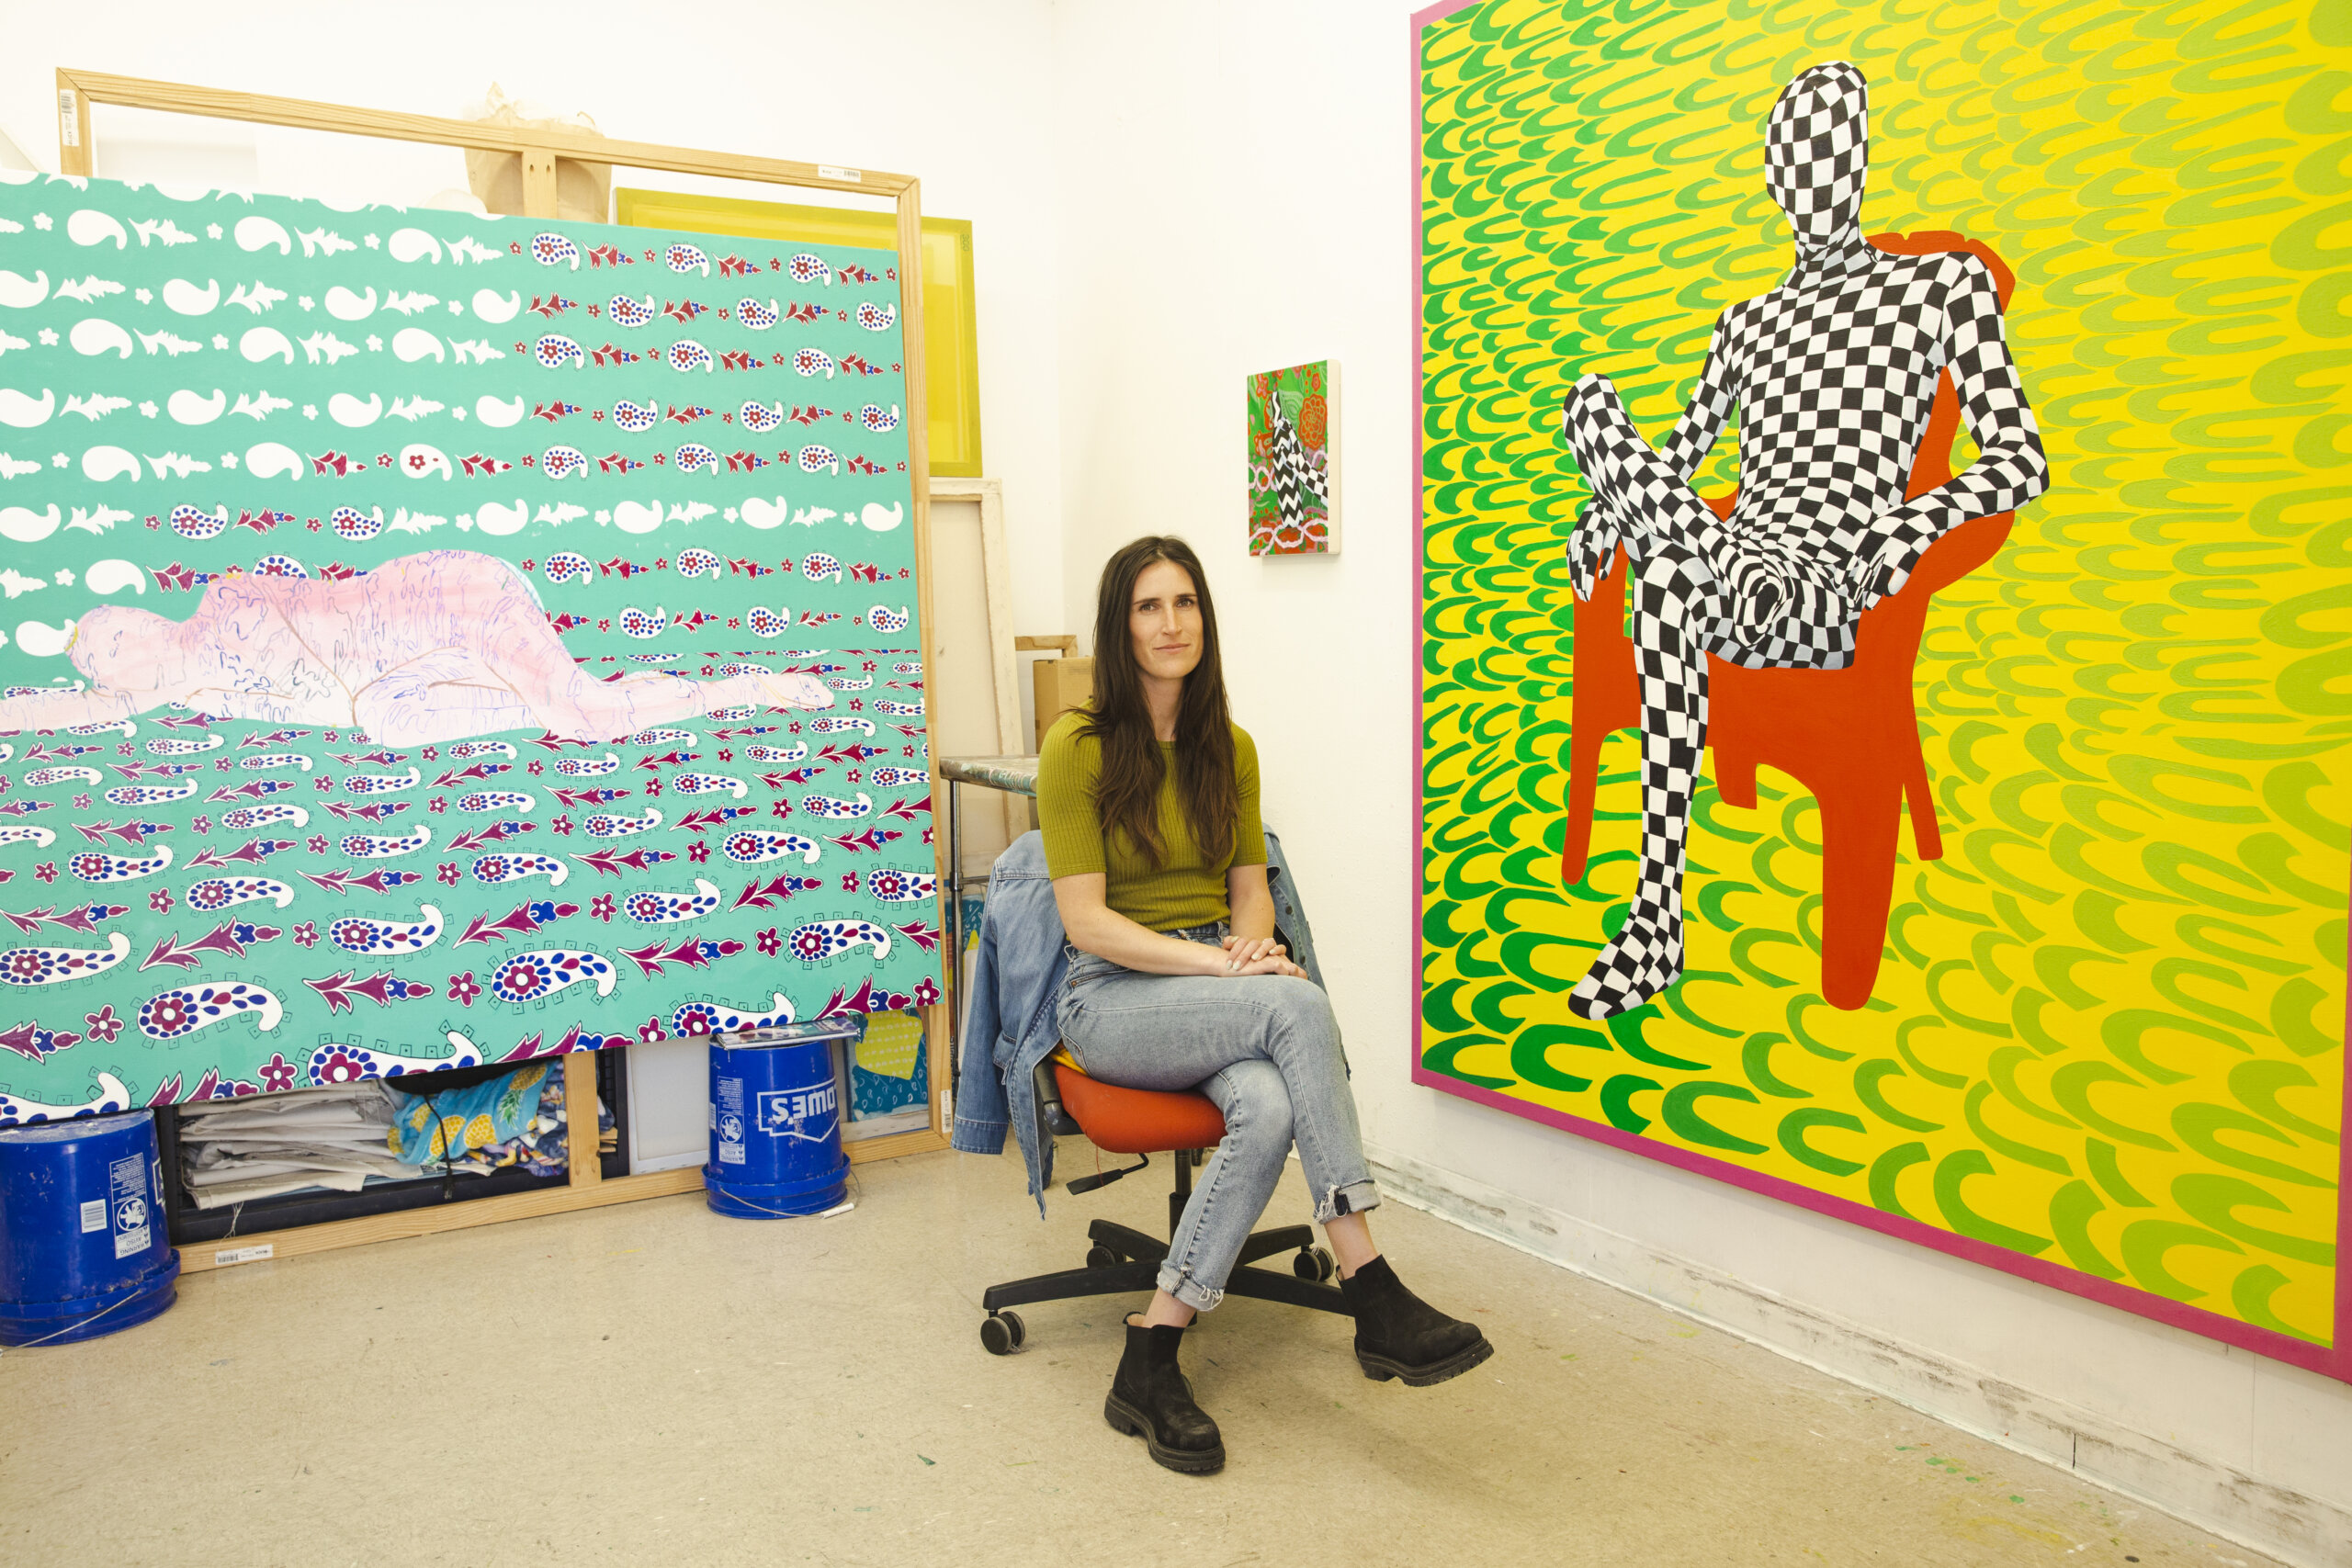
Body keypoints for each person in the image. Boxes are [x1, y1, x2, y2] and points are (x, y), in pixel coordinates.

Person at [1558, 60, 2048, 1019]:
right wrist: (1608, 506)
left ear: (1857, 163)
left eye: (1837, 153)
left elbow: (2020, 458)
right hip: (1731, 572)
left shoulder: (1940, 288)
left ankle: (1657, 915)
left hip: (1825, 593)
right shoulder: (1744, 326)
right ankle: (1656, 920)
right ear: (1781, 179)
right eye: (1801, 159)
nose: (1822, 178)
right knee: (1600, 427)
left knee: (1662, 563)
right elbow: (1679, 457)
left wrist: (1913, 520)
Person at [1038, 535, 1489, 1475]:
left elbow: (1250, 886)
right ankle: (1370, 1283)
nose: (1171, 625)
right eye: (1149, 608)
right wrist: (1223, 973)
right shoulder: (1074, 747)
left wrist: (1247, 945)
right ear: (1120, 629)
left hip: (1212, 984)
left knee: (1272, 1101)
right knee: (1295, 1008)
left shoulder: (1226, 748)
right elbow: (1087, 925)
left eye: (1186, 604)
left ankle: (1152, 1349)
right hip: (1112, 997)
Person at [0, 550, 831, 744]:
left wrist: (202, 675)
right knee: (386, 722)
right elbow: (68, 704)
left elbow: (312, 658)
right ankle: (592, 694)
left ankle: (748, 688)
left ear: (147, 621)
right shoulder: (184, 687)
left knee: (585, 712)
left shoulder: (228, 602)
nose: (113, 658)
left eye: (117, 636)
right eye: (100, 661)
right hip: (399, 684)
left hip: (444, 603)